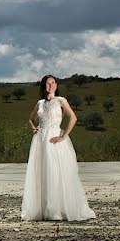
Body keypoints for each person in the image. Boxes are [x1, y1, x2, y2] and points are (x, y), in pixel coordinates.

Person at [21, 74, 96, 221]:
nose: (51, 86)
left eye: (53, 83)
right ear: (44, 86)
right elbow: (30, 119)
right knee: (42, 173)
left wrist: (63, 136)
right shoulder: (40, 103)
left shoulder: (61, 100)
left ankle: (57, 209)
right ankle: (44, 209)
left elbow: (73, 118)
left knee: (56, 173)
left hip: (55, 139)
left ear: (56, 85)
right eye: (48, 83)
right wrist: (33, 128)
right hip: (40, 140)